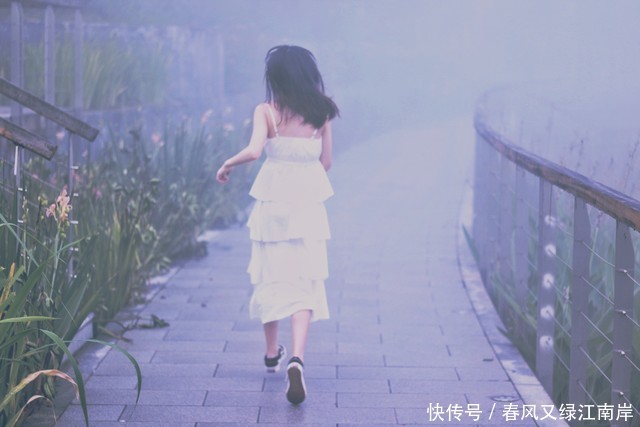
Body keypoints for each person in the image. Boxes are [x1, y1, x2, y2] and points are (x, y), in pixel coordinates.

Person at [216, 45, 339, 405]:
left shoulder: (267, 111)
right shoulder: (322, 112)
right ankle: (296, 357)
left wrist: (227, 164)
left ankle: (272, 353)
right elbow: (327, 163)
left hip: (273, 206)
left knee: (271, 275)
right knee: (305, 280)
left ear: (276, 78)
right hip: (308, 207)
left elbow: (254, 151)